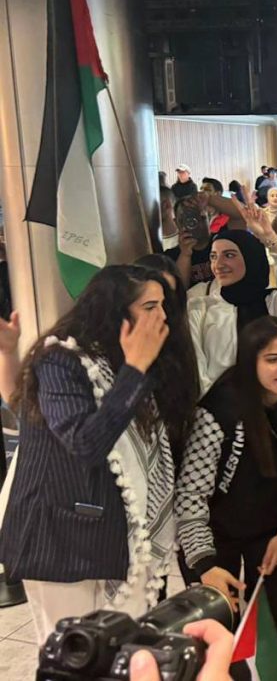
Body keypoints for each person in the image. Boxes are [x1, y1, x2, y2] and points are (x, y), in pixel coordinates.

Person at [0, 266, 196, 643]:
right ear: (113, 310)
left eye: (164, 305)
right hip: (62, 540)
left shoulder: (118, 359)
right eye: (150, 307)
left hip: (112, 538)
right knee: (75, 657)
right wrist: (135, 369)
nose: (162, 316)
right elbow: (85, 443)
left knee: (121, 653)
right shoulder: (61, 358)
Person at [175, 316, 277, 676]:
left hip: (273, 534)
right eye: (273, 359)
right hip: (215, 543)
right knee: (222, 642)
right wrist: (205, 565)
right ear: (250, 361)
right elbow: (190, 499)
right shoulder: (219, 410)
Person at [188, 189, 277, 394]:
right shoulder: (201, 306)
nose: (218, 264)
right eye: (213, 257)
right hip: (220, 407)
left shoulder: (272, 303)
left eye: (229, 255)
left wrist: (269, 237)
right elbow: (198, 370)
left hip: (272, 403)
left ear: (251, 257)